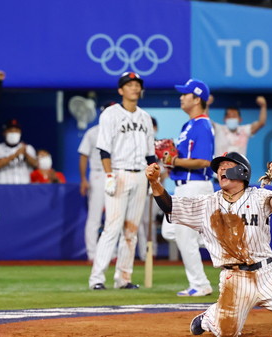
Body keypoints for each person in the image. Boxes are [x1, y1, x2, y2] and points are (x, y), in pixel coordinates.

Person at [145, 152, 272, 337]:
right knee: (227, 333)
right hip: (234, 278)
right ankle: (209, 317)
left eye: (226, 166)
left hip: (267, 273)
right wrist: (155, 183)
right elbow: (170, 206)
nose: (220, 170)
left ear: (242, 171)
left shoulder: (258, 197)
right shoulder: (207, 204)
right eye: (218, 168)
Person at [88, 72, 156, 290]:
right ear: (121, 90)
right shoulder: (110, 114)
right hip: (118, 172)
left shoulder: (145, 117)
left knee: (131, 230)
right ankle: (97, 278)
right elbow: (104, 149)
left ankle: (123, 278)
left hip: (140, 175)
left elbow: (150, 155)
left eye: (137, 85)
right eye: (130, 85)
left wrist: (153, 177)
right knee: (112, 228)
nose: (135, 88)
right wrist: (109, 175)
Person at [162, 78, 214, 297]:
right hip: (183, 187)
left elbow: (203, 161)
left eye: (186, 94)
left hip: (195, 186)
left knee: (185, 236)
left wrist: (174, 161)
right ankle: (212, 237)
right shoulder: (188, 125)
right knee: (169, 230)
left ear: (197, 99)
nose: (181, 97)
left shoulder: (202, 125)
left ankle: (200, 284)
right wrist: (169, 157)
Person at [78, 102, 115, 262]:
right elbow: (83, 156)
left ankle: (112, 253)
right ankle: (92, 254)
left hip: (116, 174)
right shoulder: (93, 133)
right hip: (98, 175)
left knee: (114, 216)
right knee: (94, 216)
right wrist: (83, 179)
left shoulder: (121, 133)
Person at [136, 117, 166, 261]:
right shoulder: (139, 146)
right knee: (140, 222)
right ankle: (144, 254)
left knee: (150, 221)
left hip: (155, 188)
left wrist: (155, 182)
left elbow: (166, 171)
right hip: (140, 187)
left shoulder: (160, 146)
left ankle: (152, 252)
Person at [0, 119, 38, 184]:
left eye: (16, 131)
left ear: (20, 133)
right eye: (10, 131)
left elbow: (36, 164)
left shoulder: (28, 148)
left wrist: (25, 154)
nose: (14, 133)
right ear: (4, 133)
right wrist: (15, 154)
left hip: (24, 188)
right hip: (4, 188)